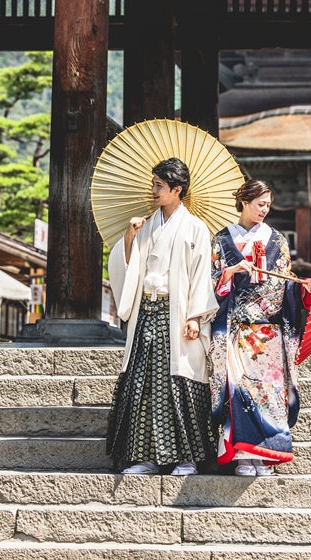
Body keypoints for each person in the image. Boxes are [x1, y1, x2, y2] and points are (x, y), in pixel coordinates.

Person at [106, 157, 218, 475]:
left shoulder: (195, 227)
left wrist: (196, 316)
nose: (153, 190)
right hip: (147, 312)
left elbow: (201, 275)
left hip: (178, 314)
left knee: (179, 382)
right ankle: (146, 456)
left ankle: (186, 457)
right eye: (153, 184)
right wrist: (129, 238)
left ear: (177, 189)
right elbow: (125, 266)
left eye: (159, 185)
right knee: (143, 383)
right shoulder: (144, 225)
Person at [209, 178, 311, 477]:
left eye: (268, 205)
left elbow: (285, 283)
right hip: (236, 330)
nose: (265, 210)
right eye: (260, 204)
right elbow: (207, 280)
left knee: (269, 394)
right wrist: (230, 271)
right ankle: (244, 456)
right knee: (240, 391)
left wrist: (302, 288)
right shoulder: (221, 240)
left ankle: (267, 454)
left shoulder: (277, 240)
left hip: (269, 332)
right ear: (244, 202)